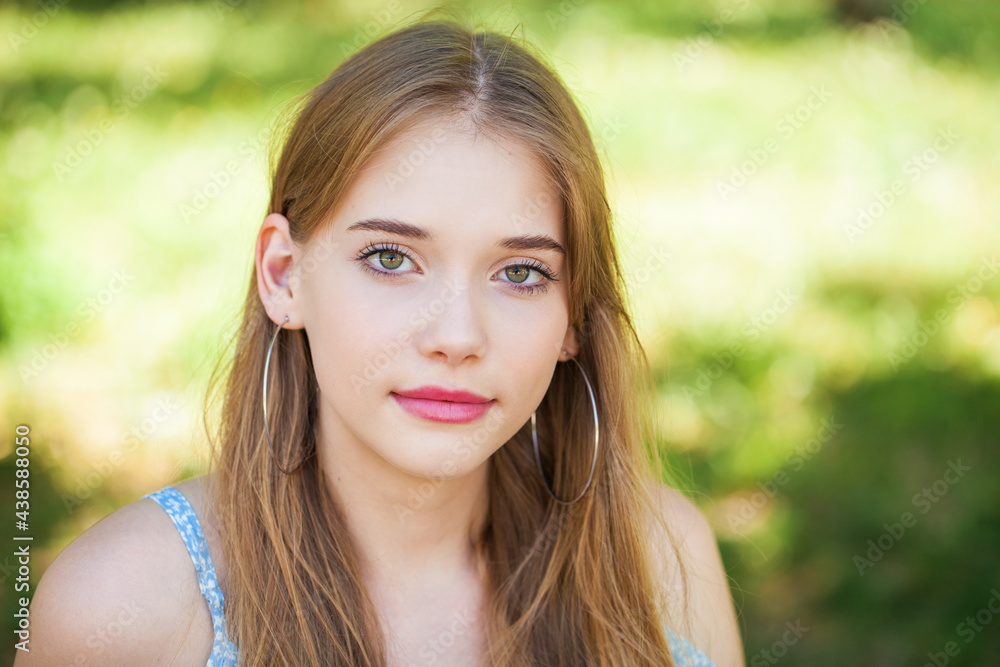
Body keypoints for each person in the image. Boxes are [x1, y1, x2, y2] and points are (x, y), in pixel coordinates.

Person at [18, 14, 744, 667]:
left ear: (574, 320)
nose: (458, 337)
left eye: (520, 272)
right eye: (391, 258)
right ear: (283, 274)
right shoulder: (123, 608)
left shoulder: (660, 558)